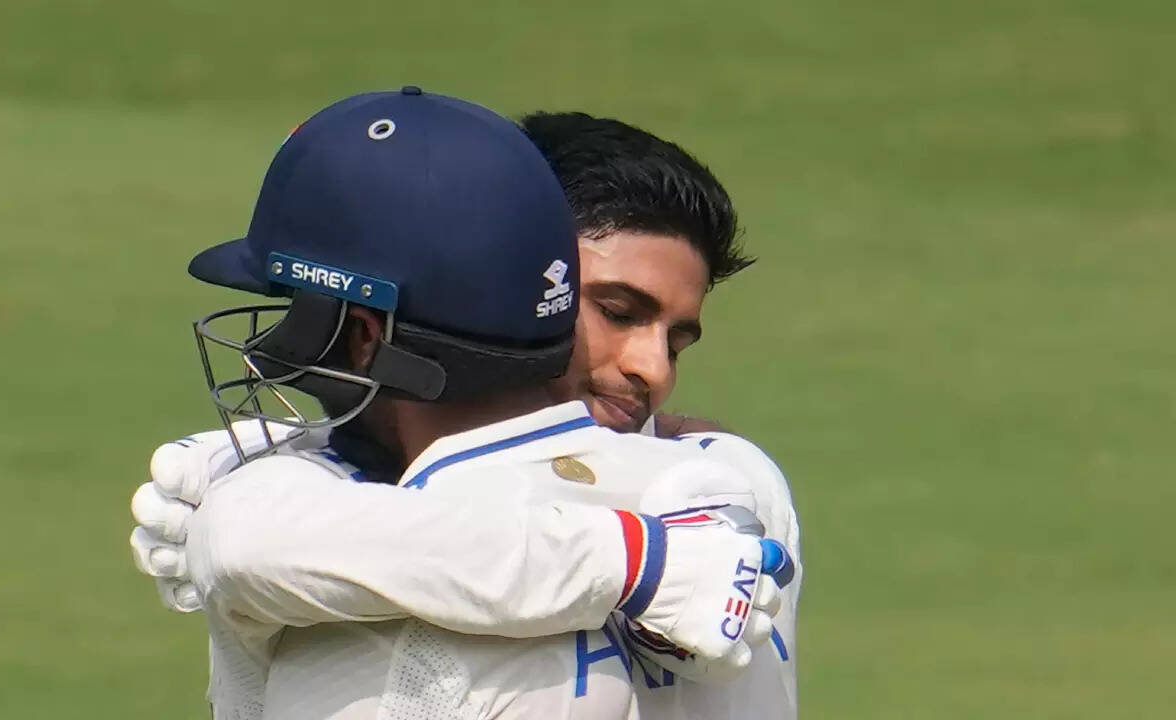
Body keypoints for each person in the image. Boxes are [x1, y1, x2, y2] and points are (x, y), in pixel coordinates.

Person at [132, 94, 801, 719]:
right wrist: (310, 451)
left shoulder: (706, 485)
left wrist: (266, 480)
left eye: (675, 342)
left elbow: (250, 544)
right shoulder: (716, 480)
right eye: (617, 312)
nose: (653, 369)